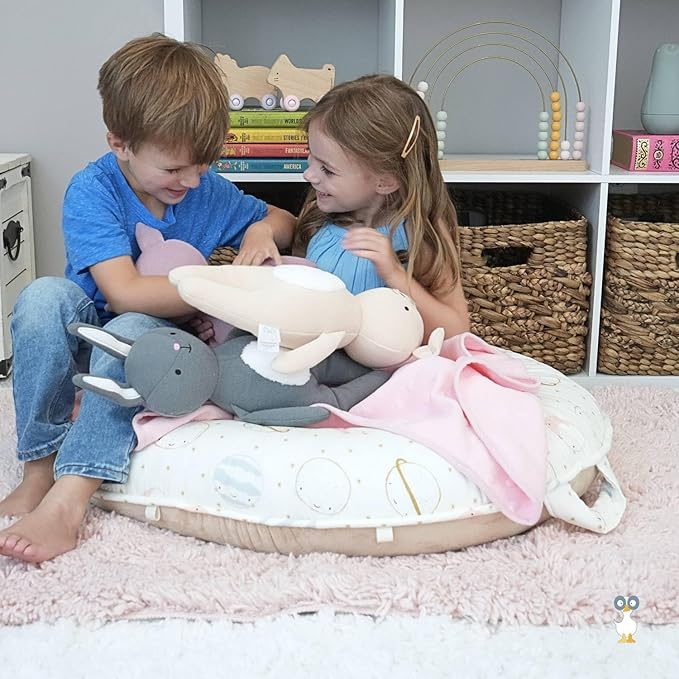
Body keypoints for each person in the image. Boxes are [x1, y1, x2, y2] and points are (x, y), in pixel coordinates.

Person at [0, 34, 296, 563]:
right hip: (92, 335)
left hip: (157, 348)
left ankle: (71, 497)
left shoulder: (206, 189)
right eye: (175, 169)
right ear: (120, 144)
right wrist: (217, 291)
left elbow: (284, 219)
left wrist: (260, 230)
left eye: (203, 164)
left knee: (131, 332)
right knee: (42, 296)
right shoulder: (93, 189)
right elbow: (124, 292)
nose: (192, 180)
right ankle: (40, 467)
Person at [293, 74, 469, 340]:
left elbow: (457, 330)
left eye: (327, 169)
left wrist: (394, 274)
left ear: (385, 181)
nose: (309, 175)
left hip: (389, 361)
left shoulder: (419, 234)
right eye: (311, 157)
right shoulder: (318, 218)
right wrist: (264, 232)